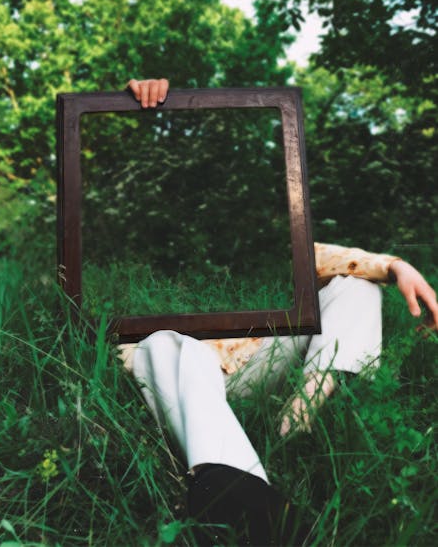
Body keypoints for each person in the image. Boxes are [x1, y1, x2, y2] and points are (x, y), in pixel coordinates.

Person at [118, 78, 438, 545]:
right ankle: (250, 498)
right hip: (180, 378)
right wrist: (127, 103)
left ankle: (297, 422)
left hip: (253, 372)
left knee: (357, 287)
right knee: (165, 345)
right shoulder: (132, 256)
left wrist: (396, 265)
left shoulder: (267, 244)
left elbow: (336, 260)